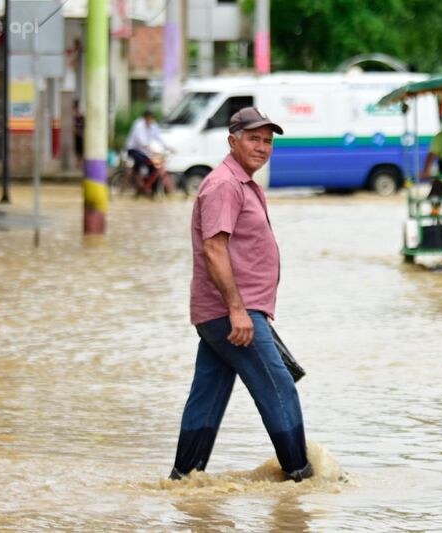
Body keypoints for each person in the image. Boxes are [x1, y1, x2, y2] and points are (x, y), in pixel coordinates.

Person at [169, 106, 313, 483]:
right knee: (278, 387)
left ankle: (184, 479)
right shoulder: (224, 185)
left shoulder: (242, 183)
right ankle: (301, 478)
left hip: (229, 313)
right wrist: (238, 311)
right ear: (232, 141)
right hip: (233, 313)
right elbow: (214, 249)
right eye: (254, 139)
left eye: (267, 141)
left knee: (208, 396)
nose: (262, 147)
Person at [125, 110, 169, 185]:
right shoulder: (138, 125)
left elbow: (159, 137)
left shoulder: (153, 126)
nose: (150, 120)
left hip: (143, 152)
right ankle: (137, 182)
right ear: (144, 118)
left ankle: (148, 186)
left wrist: (168, 147)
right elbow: (140, 139)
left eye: (151, 118)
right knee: (143, 162)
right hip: (133, 149)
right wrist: (149, 148)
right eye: (148, 118)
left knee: (152, 167)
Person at [72, 100, 84, 169]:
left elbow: (83, 126)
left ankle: (79, 163)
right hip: (77, 136)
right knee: (77, 150)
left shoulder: (80, 117)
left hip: (80, 136)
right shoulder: (74, 117)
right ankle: (78, 163)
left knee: (80, 150)